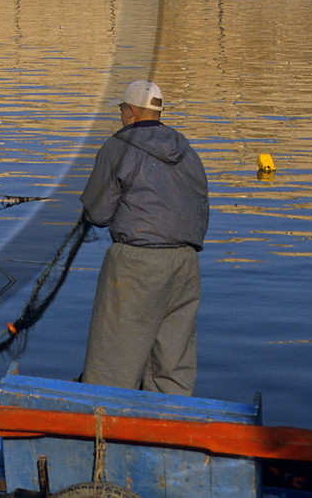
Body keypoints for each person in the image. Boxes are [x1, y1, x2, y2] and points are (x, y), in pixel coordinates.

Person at [79, 80, 209, 395]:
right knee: (172, 369)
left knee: (113, 367)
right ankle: (171, 431)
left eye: (123, 110)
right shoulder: (187, 151)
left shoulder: (117, 147)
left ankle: (104, 434)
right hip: (185, 264)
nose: (121, 117)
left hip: (136, 265)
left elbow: (97, 213)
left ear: (133, 113)